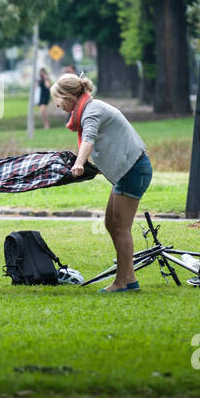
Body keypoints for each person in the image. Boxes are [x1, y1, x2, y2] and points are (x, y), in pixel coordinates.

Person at [52, 73, 153, 293]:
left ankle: (122, 283)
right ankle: (130, 279)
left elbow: (89, 139)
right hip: (128, 171)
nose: (57, 105)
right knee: (111, 224)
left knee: (121, 227)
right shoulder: (89, 109)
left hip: (134, 170)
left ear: (69, 96)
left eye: (58, 100)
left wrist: (80, 163)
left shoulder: (92, 111)